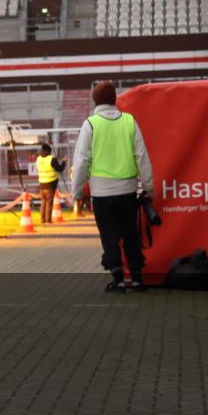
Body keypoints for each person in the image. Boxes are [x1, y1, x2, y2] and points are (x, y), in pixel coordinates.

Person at [71, 81, 155, 293]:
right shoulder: (129, 121)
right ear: (115, 99)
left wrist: (78, 192)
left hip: (101, 193)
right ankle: (137, 279)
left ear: (95, 100)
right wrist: (148, 185)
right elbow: (142, 155)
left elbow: (81, 161)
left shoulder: (90, 124)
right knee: (130, 234)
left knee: (109, 237)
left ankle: (117, 279)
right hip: (128, 191)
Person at [35, 142, 66, 226]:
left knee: (43, 202)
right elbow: (60, 169)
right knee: (49, 202)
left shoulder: (38, 159)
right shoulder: (51, 159)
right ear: (48, 151)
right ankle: (48, 220)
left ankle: (42, 220)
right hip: (50, 184)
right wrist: (63, 162)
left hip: (42, 183)